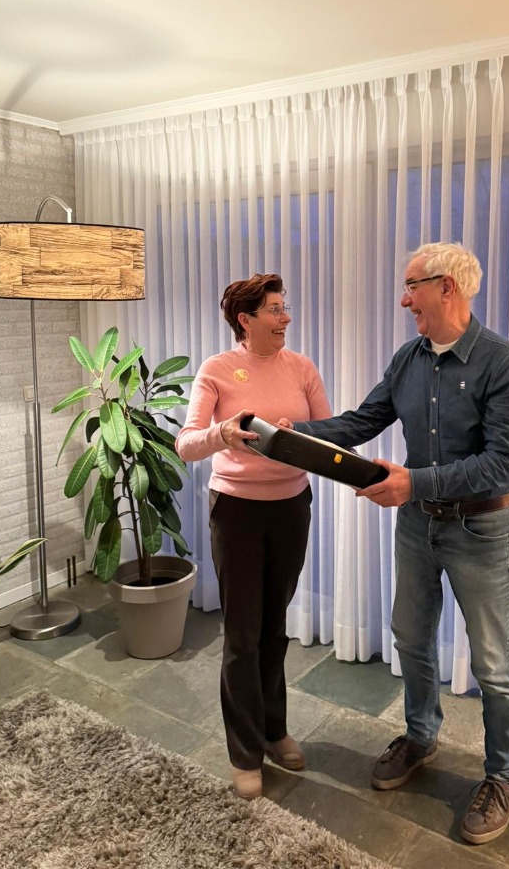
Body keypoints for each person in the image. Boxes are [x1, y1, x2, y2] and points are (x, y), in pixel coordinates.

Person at [285, 242, 509, 845]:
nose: (404, 300)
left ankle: (503, 776)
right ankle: (421, 737)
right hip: (418, 526)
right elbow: (360, 422)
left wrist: (412, 482)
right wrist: (291, 433)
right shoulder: (408, 359)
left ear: (447, 287)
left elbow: (502, 466)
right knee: (411, 639)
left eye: (411, 286)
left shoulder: (503, 362)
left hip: (482, 530)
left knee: (493, 663)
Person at [175, 273, 332, 800]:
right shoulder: (217, 370)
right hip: (236, 512)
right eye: (275, 309)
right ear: (246, 320)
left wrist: (297, 436)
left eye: (285, 307)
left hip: (292, 508)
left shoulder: (302, 367)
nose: (285, 317)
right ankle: (244, 752)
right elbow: (186, 444)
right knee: (242, 634)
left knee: (274, 627)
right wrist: (224, 434)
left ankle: (273, 729)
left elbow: (329, 434)